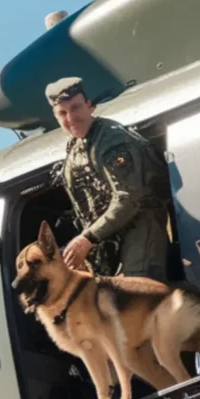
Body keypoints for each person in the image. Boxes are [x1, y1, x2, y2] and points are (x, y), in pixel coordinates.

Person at [45, 76, 171, 280]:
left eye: (76, 108)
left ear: (90, 106)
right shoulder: (75, 147)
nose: (71, 118)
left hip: (138, 230)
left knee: (136, 299)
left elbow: (129, 197)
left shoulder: (112, 140)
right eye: (62, 113)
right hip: (107, 240)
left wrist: (87, 239)